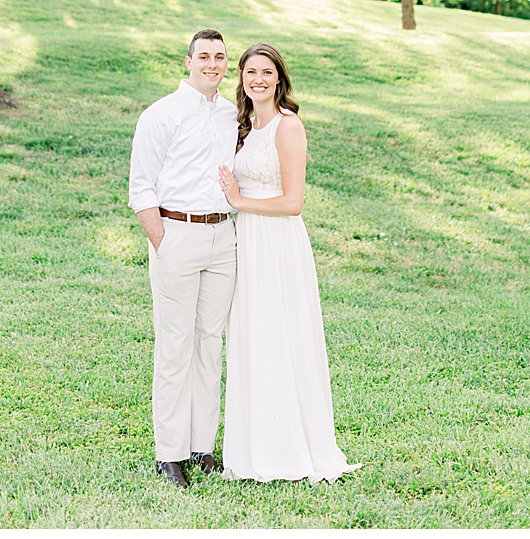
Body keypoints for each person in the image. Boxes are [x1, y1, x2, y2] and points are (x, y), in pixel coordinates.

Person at [216, 41, 358, 483]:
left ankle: (289, 447)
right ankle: (255, 445)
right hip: (247, 242)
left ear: (279, 79)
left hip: (277, 243)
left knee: (281, 335)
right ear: (240, 78)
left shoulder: (287, 126)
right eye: (249, 72)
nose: (257, 79)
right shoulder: (246, 127)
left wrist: (240, 201)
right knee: (253, 337)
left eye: (266, 72)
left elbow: (294, 202)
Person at [129, 29, 240, 490]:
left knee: (209, 343)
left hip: (224, 239)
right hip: (177, 234)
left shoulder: (232, 115)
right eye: (205, 57)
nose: (212, 64)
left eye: (220, 57)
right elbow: (141, 187)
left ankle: (202, 447)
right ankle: (169, 454)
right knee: (175, 345)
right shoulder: (161, 114)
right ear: (188, 61)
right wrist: (162, 240)